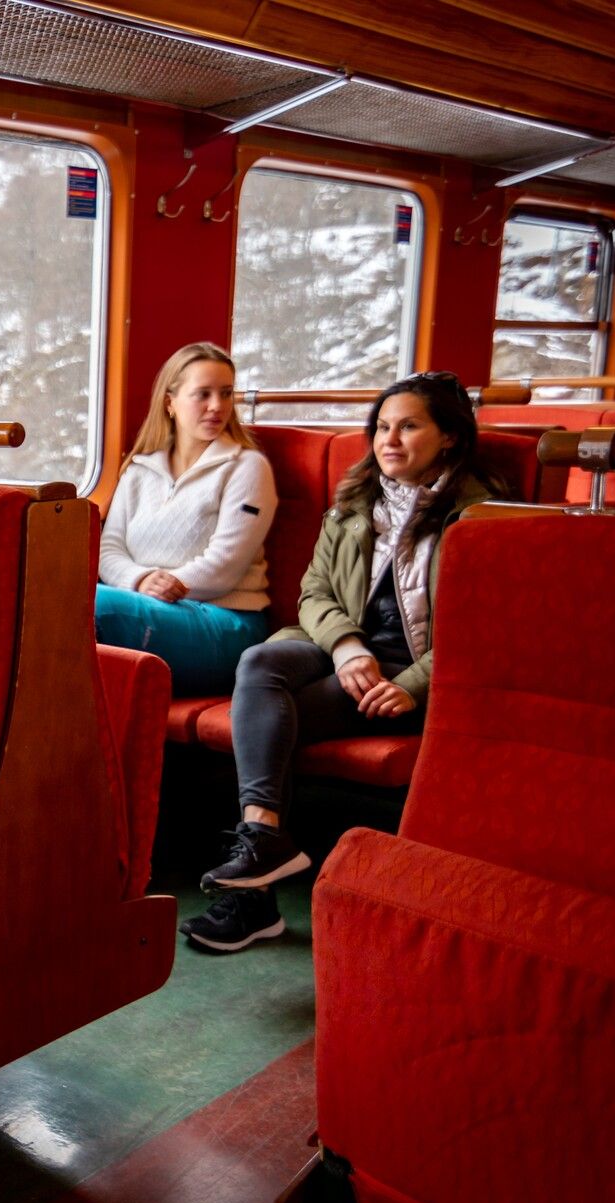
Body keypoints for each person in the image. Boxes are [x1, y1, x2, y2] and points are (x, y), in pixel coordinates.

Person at [182, 371, 502, 953]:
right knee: (260, 663)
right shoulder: (356, 502)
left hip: (413, 677)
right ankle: (264, 846)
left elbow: (484, 628)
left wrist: (411, 686)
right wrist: (347, 647)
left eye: (409, 426)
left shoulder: (479, 518)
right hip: (343, 652)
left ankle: (255, 891)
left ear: (450, 436)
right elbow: (314, 592)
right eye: (382, 427)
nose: (389, 440)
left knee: (272, 721)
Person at [96, 342, 278, 695]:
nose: (217, 406)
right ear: (170, 403)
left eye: (226, 394)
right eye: (203, 394)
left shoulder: (246, 467)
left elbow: (225, 565)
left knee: (92, 604)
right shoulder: (139, 469)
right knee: (63, 599)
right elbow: (109, 547)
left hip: (224, 621)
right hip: (145, 606)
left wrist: (167, 586)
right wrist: (141, 579)